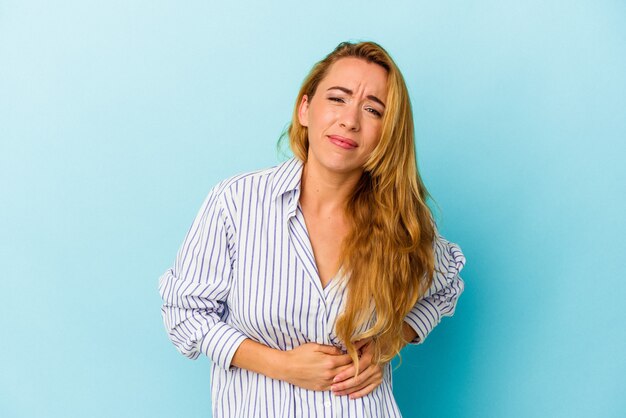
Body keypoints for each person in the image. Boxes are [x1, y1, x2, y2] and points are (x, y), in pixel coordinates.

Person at [158, 40, 466, 417]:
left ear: (386, 133)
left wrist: (389, 343)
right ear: (305, 108)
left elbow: (446, 285)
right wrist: (278, 364)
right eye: (338, 99)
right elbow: (185, 311)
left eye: (373, 109)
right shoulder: (236, 203)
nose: (350, 120)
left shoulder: (402, 220)